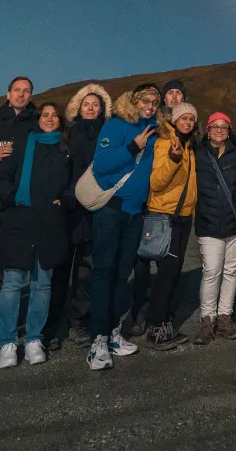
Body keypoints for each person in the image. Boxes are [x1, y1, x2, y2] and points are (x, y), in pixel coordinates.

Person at [0, 102, 74, 369]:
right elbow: (1, 176)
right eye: (45, 115)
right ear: (38, 119)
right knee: (13, 283)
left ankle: (34, 339)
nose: (49, 119)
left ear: (61, 121)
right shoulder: (23, 145)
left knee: (42, 283)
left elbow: (75, 182)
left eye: (54, 115)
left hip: (51, 223)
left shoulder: (66, 150)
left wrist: (66, 200)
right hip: (21, 219)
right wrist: (13, 197)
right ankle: (6, 341)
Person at [85, 82, 161, 371]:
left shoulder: (156, 130)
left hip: (135, 214)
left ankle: (114, 333)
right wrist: (133, 146)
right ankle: (98, 341)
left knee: (122, 274)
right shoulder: (116, 126)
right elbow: (102, 164)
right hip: (111, 210)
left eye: (155, 101)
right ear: (133, 100)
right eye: (145, 99)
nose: (150, 105)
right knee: (103, 272)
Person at [42, 83, 111, 351]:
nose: (91, 108)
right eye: (86, 104)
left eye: (96, 104)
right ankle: (50, 327)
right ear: (78, 107)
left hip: (96, 207)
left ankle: (77, 323)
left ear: (102, 108)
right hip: (70, 207)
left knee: (87, 270)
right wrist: (65, 195)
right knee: (60, 270)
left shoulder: (108, 133)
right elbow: (62, 168)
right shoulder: (68, 133)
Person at [0, 76, 39, 352]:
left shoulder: (36, 123)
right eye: (17, 90)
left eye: (27, 91)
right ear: (7, 93)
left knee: (5, 274)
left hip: (15, 206)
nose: (22, 95)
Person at [126, 77, 188, 336]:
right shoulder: (157, 126)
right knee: (142, 262)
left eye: (178, 93)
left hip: (175, 207)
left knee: (168, 265)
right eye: (170, 93)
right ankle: (140, 312)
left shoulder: (187, 128)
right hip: (147, 202)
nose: (173, 97)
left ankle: (161, 314)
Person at [143, 102, 200, 350]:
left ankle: (164, 322)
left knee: (174, 271)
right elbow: (156, 182)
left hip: (183, 217)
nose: (187, 122)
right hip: (165, 216)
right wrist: (174, 159)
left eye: (191, 119)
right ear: (174, 120)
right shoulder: (166, 142)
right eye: (183, 118)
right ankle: (155, 327)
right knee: (166, 274)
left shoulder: (189, 145)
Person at [191, 112, 236, 345]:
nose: (219, 130)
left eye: (224, 127)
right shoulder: (198, 154)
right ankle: (206, 319)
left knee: (231, 270)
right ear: (208, 130)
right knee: (212, 271)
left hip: (234, 222)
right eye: (215, 127)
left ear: (230, 130)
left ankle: (224, 317)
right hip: (208, 221)